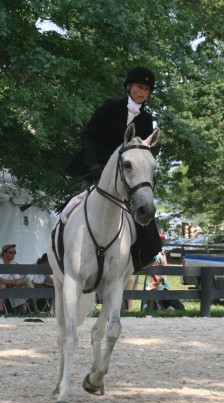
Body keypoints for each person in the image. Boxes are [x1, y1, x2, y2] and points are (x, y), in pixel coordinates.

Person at [65, 66, 162, 271]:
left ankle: (138, 259)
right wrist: (93, 165)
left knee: (143, 213)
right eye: (139, 87)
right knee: (72, 207)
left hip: (126, 178)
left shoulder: (146, 119)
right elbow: (89, 136)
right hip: (98, 171)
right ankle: (60, 243)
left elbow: (143, 153)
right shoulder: (110, 107)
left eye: (146, 89)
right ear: (129, 87)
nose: (143, 92)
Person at [0, 244, 28, 315]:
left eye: (14, 252)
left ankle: (23, 311)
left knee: (22, 286)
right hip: (3, 285)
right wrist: (13, 282)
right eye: (11, 252)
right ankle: (1, 310)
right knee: (2, 286)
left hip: (7, 285)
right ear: (4, 253)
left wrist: (17, 283)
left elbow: (18, 280)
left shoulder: (12, 264)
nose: (13, 254)